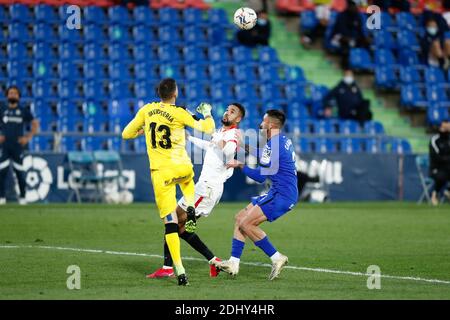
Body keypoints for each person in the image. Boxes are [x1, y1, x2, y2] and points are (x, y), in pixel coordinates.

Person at [121, 78, 216, 286]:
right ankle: (190, 204)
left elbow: (125, 134)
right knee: (188, 181)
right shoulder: (180, 112)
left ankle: (179, 270)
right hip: (182, 167)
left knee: (170, 222)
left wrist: (143, 130)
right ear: (175, 93)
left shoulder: (147, 110)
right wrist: (207, 112)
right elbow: (208, 129)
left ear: (159, 93)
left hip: (161, 173)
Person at [148, 103, 246, 278]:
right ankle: (213, 261)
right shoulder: (222, 133)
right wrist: (190, 138)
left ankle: (167, 268)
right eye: (227, 109)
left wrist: (213, 133)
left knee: (173, 221)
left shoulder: (233, 134)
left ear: (238, 119)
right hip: (205, 188)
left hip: (207, 189)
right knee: (182, 229)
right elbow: (211, 146)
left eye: (232, 112)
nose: (227, 113)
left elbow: (230, 149)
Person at [212, 110, 298, 280]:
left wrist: (240, 165)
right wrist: (243, 145)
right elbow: (262, 155)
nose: (260, 124)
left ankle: (276, 257)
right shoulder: (280, 140)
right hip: (279, 191)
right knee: (240, 218)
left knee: (246, 224)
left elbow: (260, 177)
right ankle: (233, 263)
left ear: (271, 125)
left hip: (282, 195)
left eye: (263, 121)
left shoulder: (274, 144)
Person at [0, 86, 39, 205]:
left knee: (20, 173)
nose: (12, 95)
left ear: (18, 96)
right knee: (2, 172)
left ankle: (22, 197)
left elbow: (35, 123)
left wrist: (28, 137)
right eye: (10, 93)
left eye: (15, 93)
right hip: (4, 146)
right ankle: (1, 197)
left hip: (18, 146)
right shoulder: (2, 109)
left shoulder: (23, 111)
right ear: (7, 95)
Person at [330, 0, 370, 68]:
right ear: (349, 6)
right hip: (339, 37)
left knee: (366, 42)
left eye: (355, 6)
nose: (355, 8)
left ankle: (365, 63)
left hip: (352, 38)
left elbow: (360, 30)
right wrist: (348, 38)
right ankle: (345, 65)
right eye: (353, 6)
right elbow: (340, 30)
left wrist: (364, 38)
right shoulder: (342, 16)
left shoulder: (357, 16)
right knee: (346, 44)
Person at [429, 120, 450, 206]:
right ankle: (434, 195)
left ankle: (448, 190)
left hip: (448, 167)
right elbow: (435, 156)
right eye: (445, 127)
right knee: (442, 175)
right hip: (436, 168)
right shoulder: (435, 140)